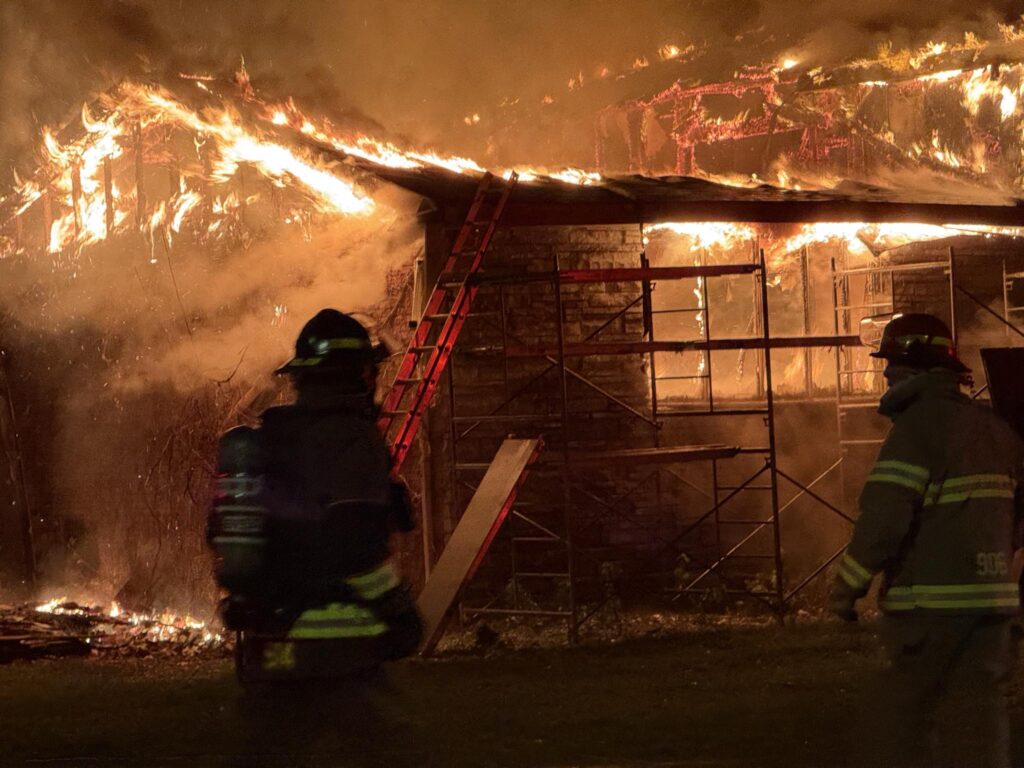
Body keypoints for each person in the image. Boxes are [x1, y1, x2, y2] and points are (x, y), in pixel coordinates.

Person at [830, 313, 1023, 768]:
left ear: (913, 370)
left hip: (929, 608)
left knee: (899, 714)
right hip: (992, 604)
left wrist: (847, 586)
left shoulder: (915, 431)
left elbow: (884, 520)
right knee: (981, 718)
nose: (884, 374)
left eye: (890, 364)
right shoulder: (996, 430)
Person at [208, 308, 422, 683]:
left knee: (272, 740)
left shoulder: (272, 438)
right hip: (338, 648)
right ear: (358, 374)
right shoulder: (353, 441)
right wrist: (398, 610)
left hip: (270, 645)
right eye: (370, 371)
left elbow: (224, 532)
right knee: (378, 738)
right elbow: (358, 543)